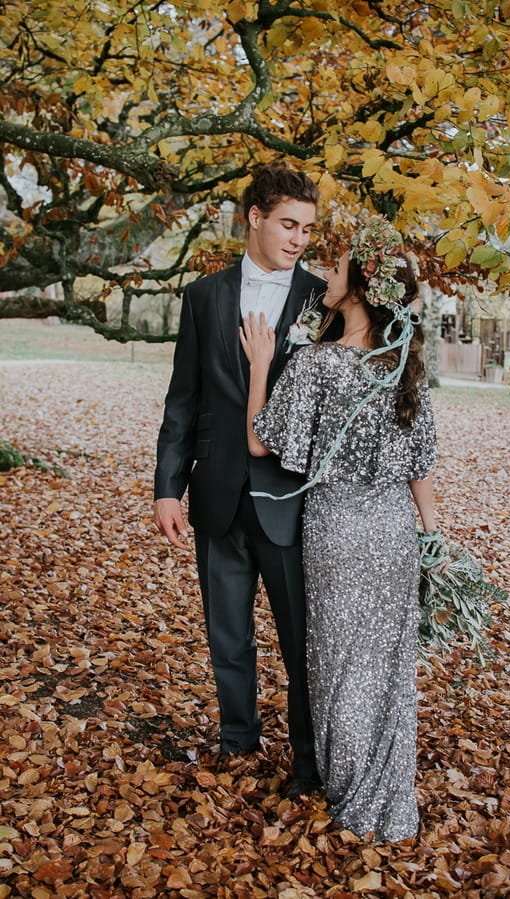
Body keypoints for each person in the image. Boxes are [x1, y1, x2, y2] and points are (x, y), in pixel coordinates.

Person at [240, 215, 441, 841]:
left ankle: (354, 798)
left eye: (338, 266)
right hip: (393, 535)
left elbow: (257, 444)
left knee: (338, 668)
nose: (326, 272)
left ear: (359, 286)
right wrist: (431, 535)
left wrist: (261, 363)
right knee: (387, 669)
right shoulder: (401, 363)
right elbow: (421, 462)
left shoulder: (319, 363)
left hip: (336, 533)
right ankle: (386, 796)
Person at [153, 161, 332, 798]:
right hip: (217, 493)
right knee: (227, 632)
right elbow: (184, 398)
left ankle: (310, 761)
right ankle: (238, 742)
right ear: (254, 218)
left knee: (301, 641)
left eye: (308, 229)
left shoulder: (323, 299)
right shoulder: (203, 296)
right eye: (289, 223)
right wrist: (167, 487)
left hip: (293, 498)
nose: (299, 239)